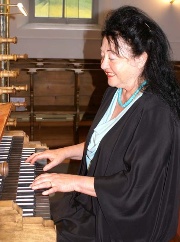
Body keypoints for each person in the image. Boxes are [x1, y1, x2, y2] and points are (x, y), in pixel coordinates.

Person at [26, 5, 180, 242]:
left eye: (112, 57)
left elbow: (134, 187)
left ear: (141, 59)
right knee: (34, 216)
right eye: (102, 55)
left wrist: (72, 182)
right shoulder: (115, 92)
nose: (102, 64)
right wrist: (62, 153)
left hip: (123, 222)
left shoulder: (155, 111)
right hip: (93, 204)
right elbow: (105, 143)